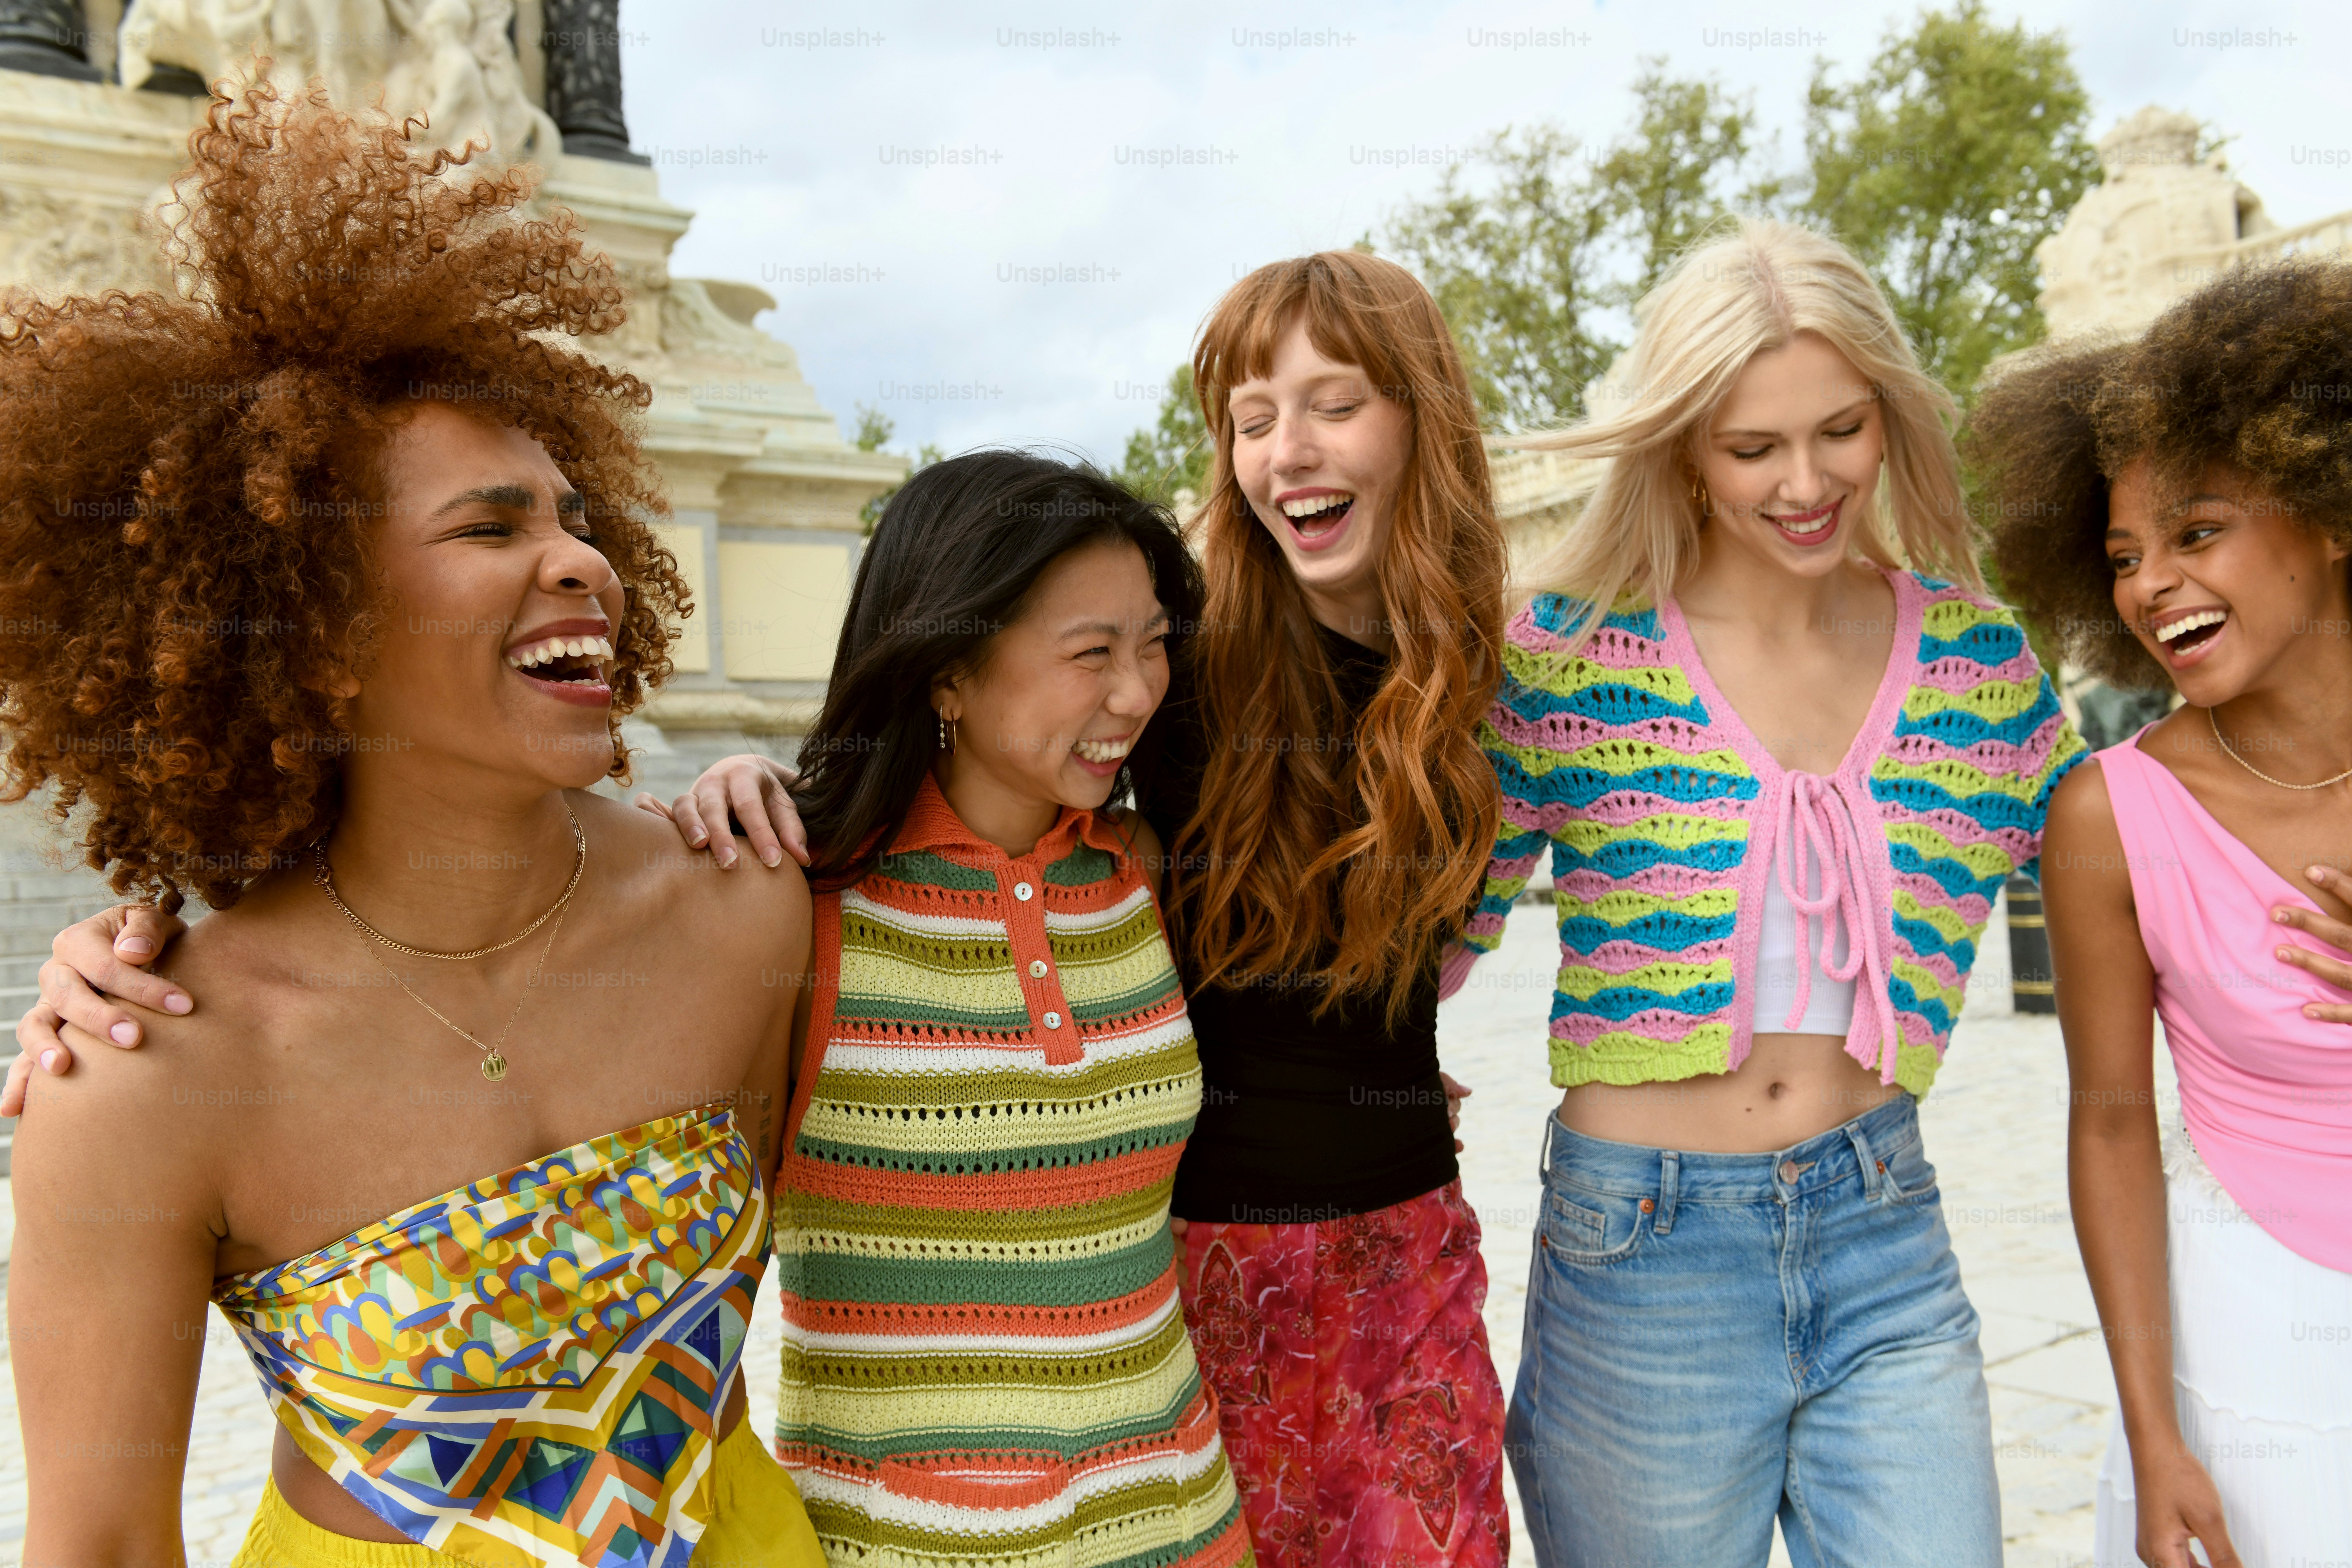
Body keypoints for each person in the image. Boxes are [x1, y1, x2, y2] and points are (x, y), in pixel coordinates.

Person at [1, 80, 823, 1567]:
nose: (582, 561)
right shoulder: (140, 1071)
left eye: (577, 516)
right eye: (491, 527)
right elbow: (102, 1548)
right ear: (313, 628)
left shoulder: (746, 908)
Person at [1453, 219, 2084, 1568]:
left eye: (1842, 430)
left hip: (1887, 1235)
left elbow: (2137, 866)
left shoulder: (1977, 659)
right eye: (1753, 448)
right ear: (1683, 447)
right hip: (1641, 1254)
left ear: (1893, 418)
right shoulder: (1568, 655)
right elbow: (1431, 922)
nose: (1807, 481)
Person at [1976, 258, 2352, 1568]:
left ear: (2327, 510)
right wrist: (2153, 1433)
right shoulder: (2109, 816)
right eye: (2126, 556)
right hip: (2263, 1349)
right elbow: (2113, 1119)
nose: (2152, 586)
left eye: (2198, 532)